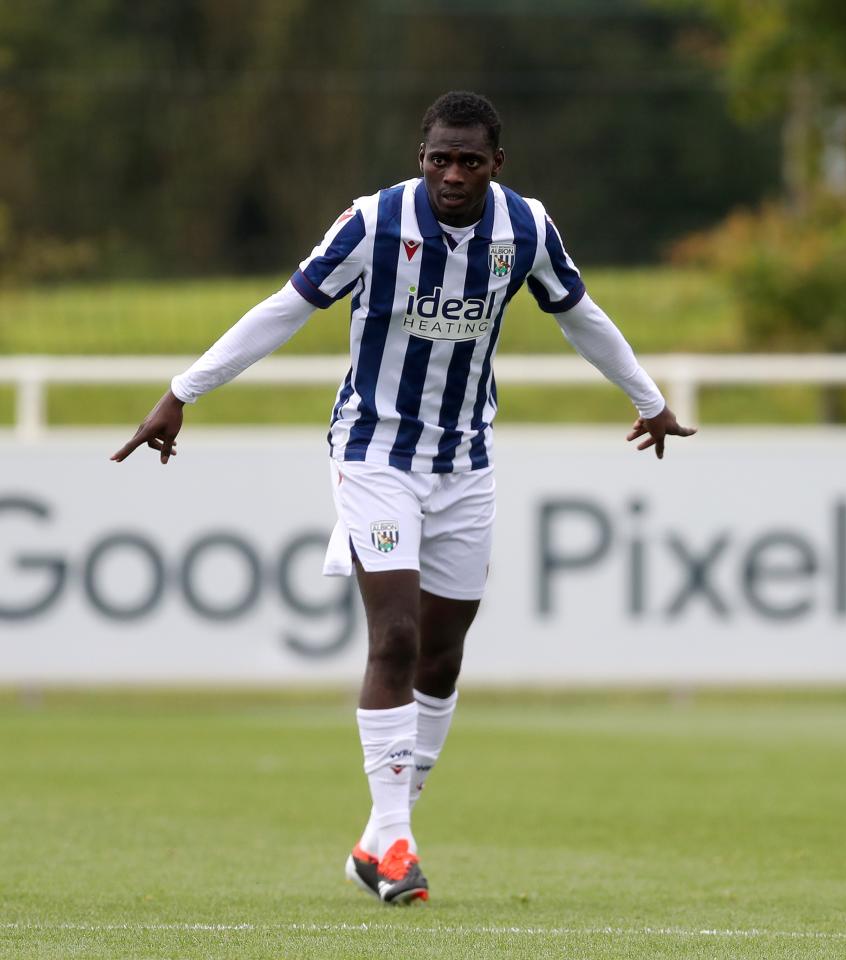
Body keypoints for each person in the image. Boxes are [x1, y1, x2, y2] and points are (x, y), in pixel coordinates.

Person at [112, 90, 695, 906]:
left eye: (469, 160)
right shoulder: (371, 224)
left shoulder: (525, 229)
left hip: (466, 462)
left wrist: (647, 397)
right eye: (438, 158)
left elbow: (581, 314)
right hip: (374, 451)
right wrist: (182, 391)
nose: (452, 174)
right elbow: (283, 310)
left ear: (498, 163)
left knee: (442, 655)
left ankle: (379, 836)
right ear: (420, 155)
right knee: (393, 635)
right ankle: (397, 846)